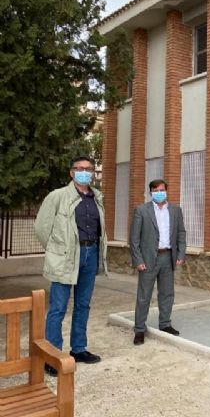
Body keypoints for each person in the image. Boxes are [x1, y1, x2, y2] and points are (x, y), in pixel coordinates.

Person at [34, 156, 107, 376]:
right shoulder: (58, 196)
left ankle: (79, 349)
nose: (84, 172)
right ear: (71, 172)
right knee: (58, 307)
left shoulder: (97, 197)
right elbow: (41, 227)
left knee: (83, 305)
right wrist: (58, 250)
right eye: (80, 168)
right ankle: (52, 355)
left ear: (93, 173)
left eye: (88, 169)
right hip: (66, 257)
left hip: (90, 253)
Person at [129, 179, 186, 345]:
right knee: (144, 295)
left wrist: (181, 254)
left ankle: (165, 324)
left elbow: (181, 233)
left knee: (167, 293)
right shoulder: (141, 210)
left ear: (166, 191)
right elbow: (134, 238)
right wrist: (138, 260)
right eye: (156, 190)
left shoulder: (175, 210)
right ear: (151, 192)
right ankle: (139, 329)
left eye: (162, 190)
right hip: (147, 259)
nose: (159, 193)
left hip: (168, 257)